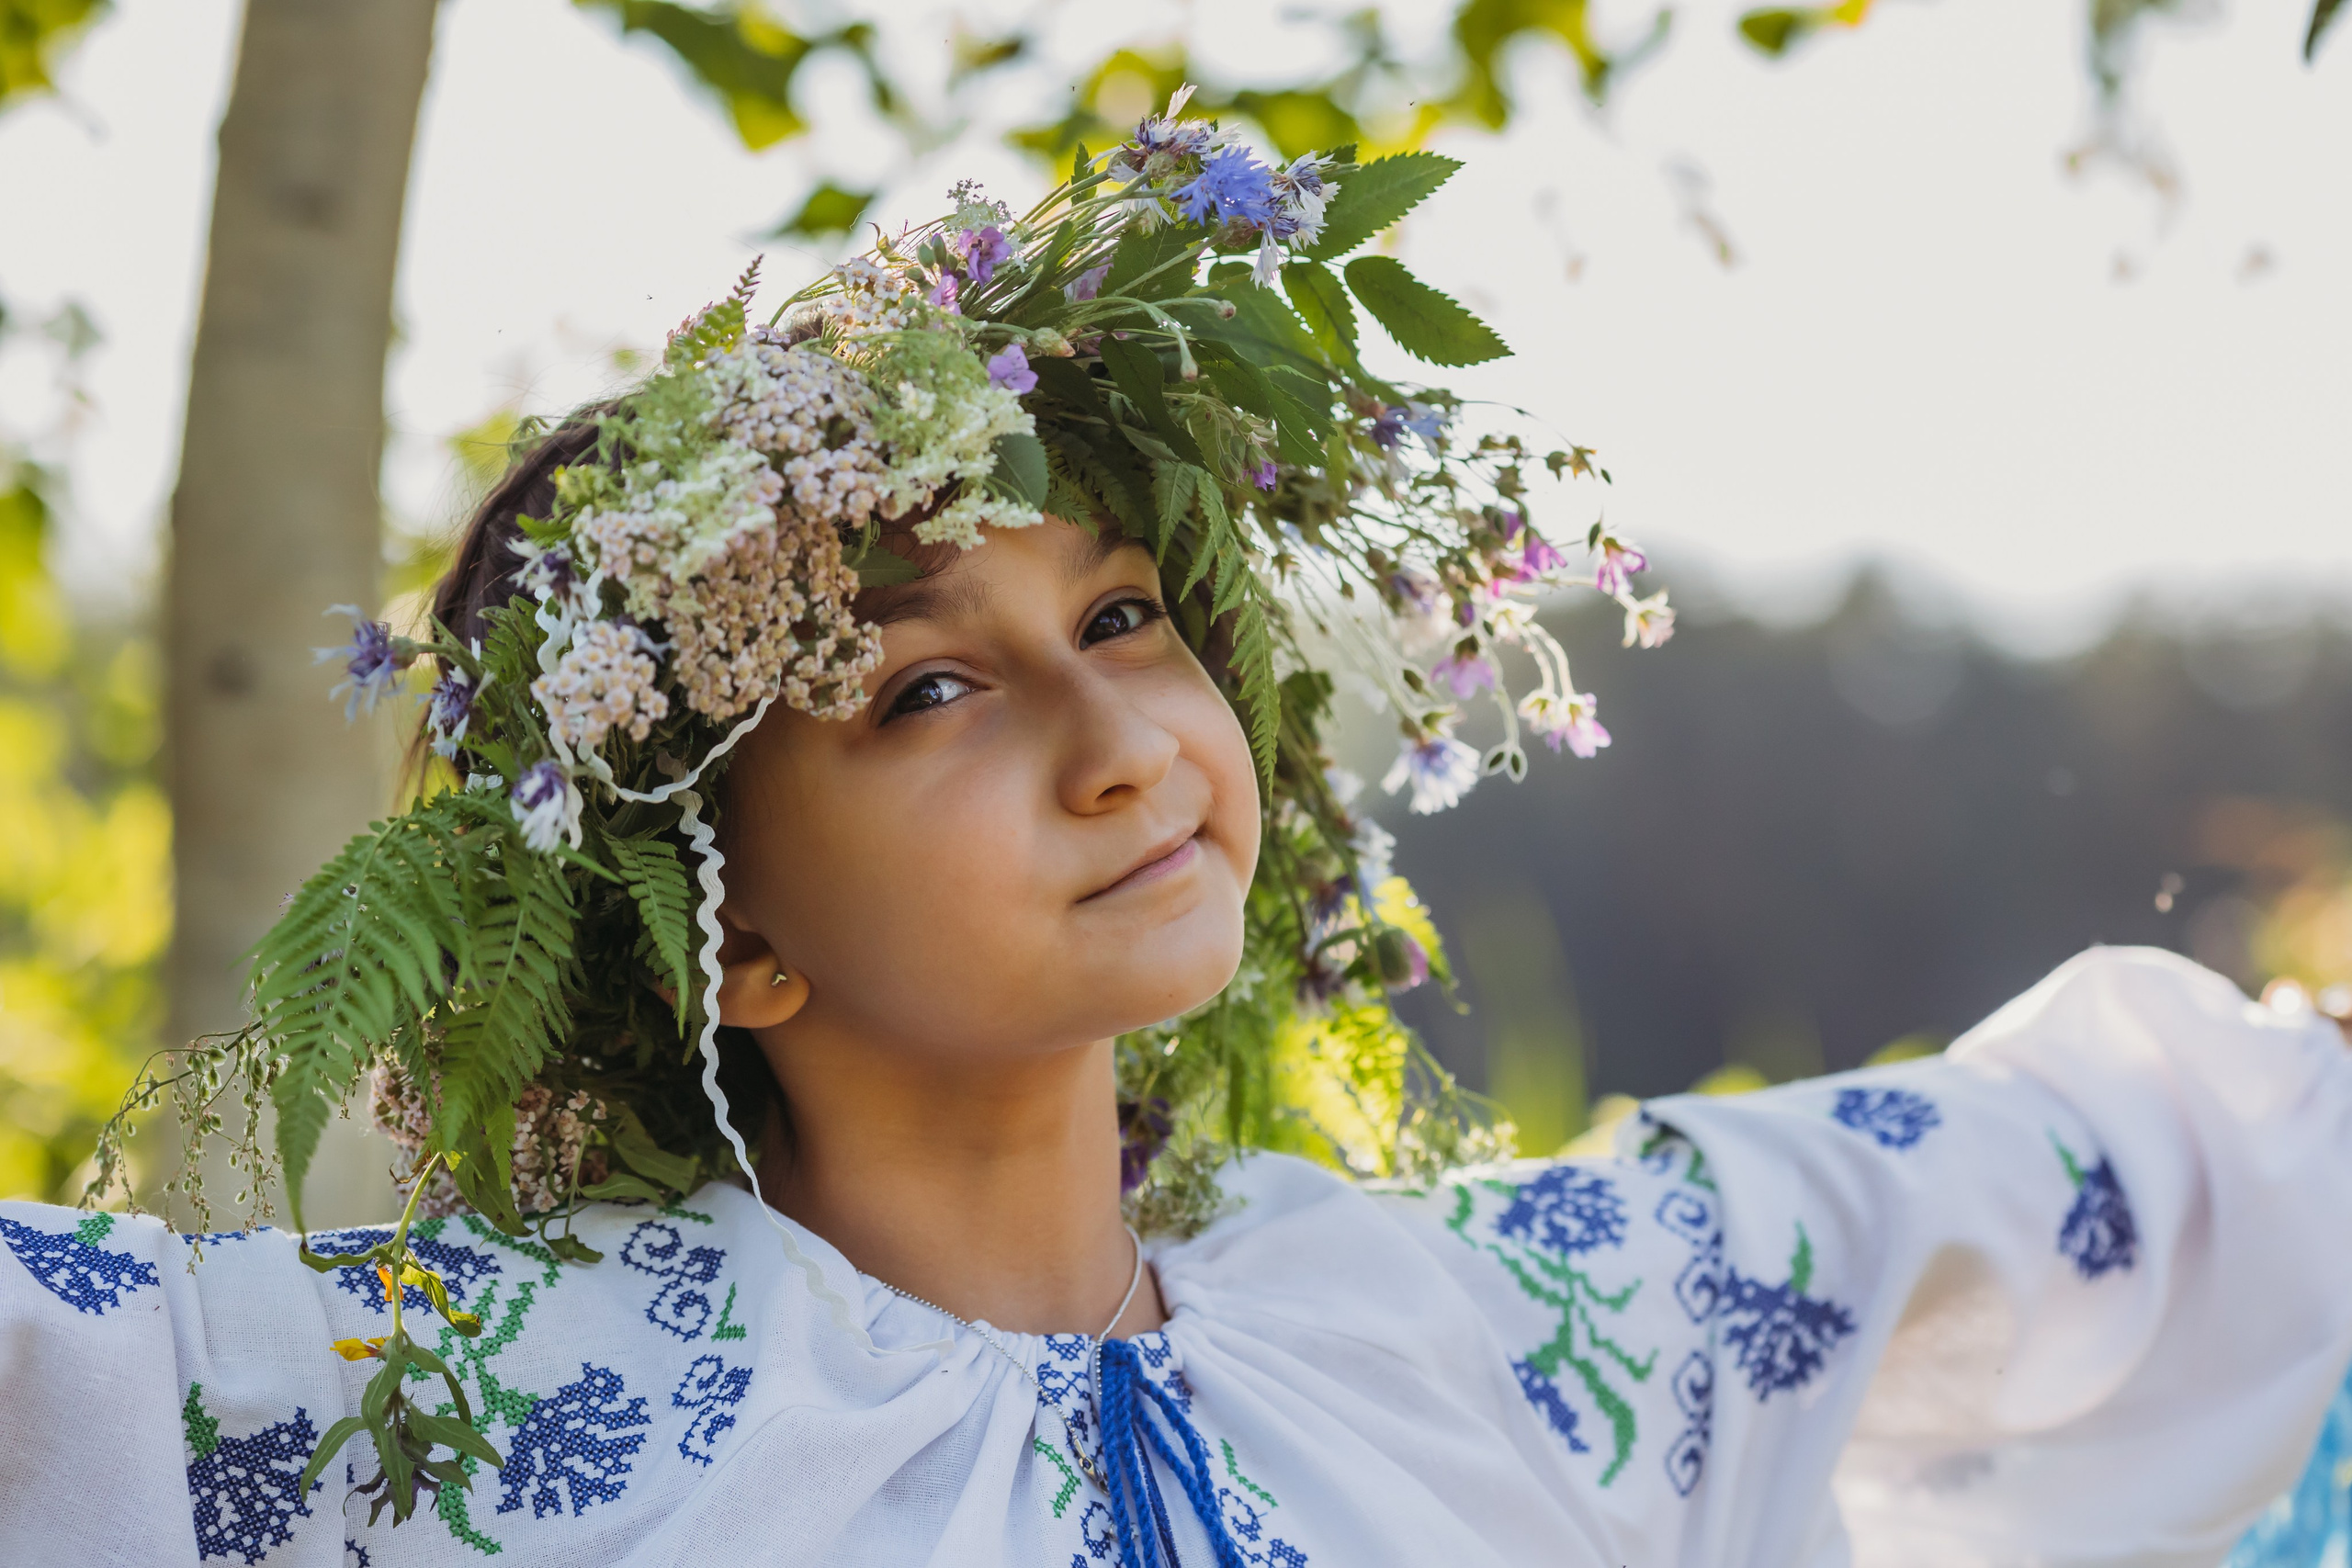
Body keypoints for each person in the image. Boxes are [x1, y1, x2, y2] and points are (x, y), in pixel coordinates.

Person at [6, 98, 2351, 1568]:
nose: (1119, 738)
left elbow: (2091, 1183)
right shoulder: (455, 1413)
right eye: (925, 682)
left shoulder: (1498, 1328)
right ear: (718, 935)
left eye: (1121, 612)